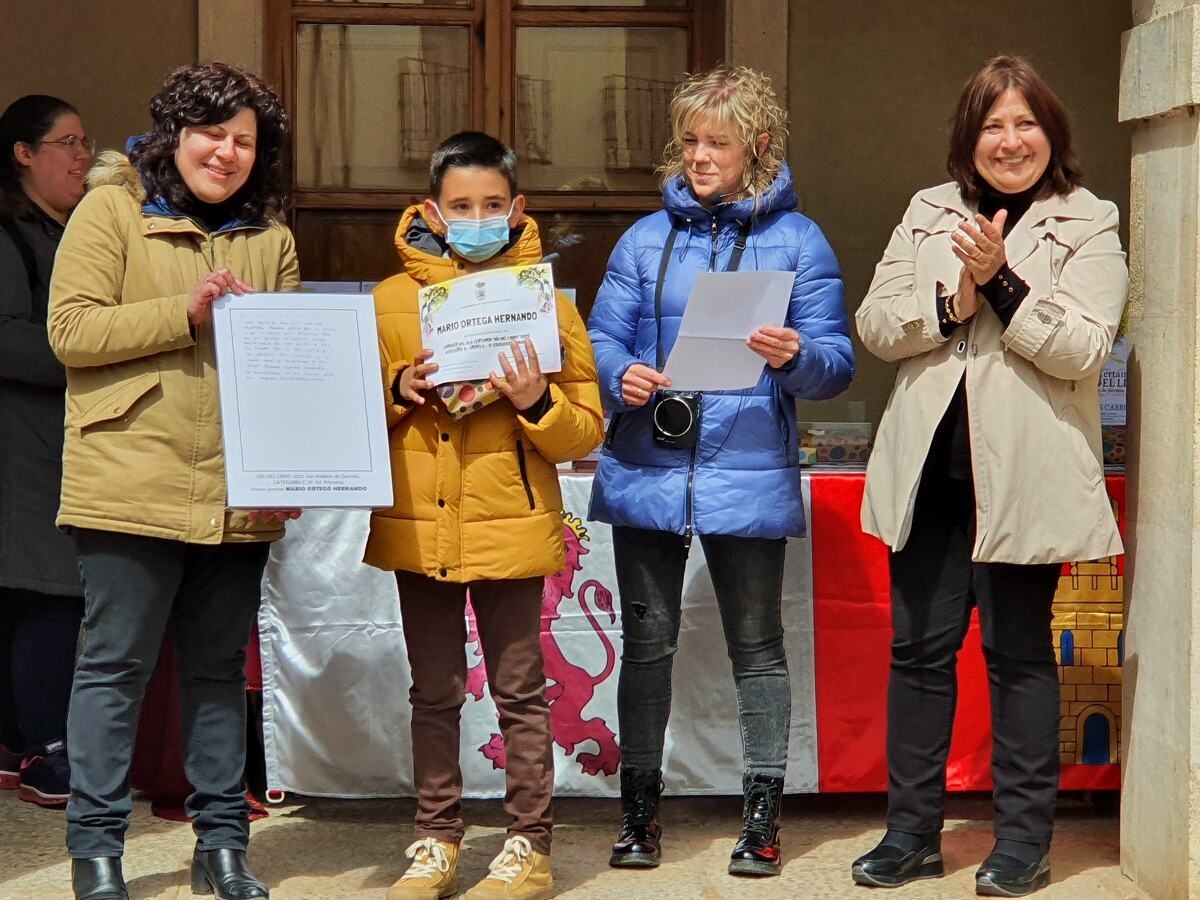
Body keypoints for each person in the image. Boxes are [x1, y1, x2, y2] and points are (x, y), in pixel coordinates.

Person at [851, 55, 1127, 897]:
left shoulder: (1089, 221)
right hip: (931, 474)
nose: (1009, 141)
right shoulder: (928, 212)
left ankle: (1021, 842)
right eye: (991, 126)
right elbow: (875, 324)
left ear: (1052, 134)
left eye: (1025, 124)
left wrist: (1000, 284)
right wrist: (951, 306)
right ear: (967, 141)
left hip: (1026, 476)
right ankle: (911, 836)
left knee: (1018, 655)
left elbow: (1086, 346)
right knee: (919, 655)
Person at [587, 65, 855, 877]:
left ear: (757, 147)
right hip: (648, 459)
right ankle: (638, 817)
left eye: (719, 142)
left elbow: (837, 363)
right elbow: (599, 341)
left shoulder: (800, 241)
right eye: (692, 141)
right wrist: (619, 376)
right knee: (647, 644)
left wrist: (797, 355)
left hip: (746, 465)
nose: (700, 157)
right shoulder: (642, 239)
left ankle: (762, 820)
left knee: (757, 648)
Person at [47, 63, 301, 900]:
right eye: (209, 133)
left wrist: (293, 465)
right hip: (129, 475)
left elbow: (293, 373)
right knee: (114, 667)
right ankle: (95, 852)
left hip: (238, 487)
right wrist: (183, 312)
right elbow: (71, 330)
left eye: (242, 141)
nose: (224, 154)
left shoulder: (271, 238)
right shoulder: (110, 207)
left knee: (218, 671)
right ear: (173, 134)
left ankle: (222, 850)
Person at [364, 131, 603, 900]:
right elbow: (347, 415)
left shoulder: (544, 302)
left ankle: (528, 846)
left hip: (512, 521)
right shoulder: (389, 300)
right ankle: (434, 841)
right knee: (432, 690)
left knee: (519, 691)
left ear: (516, 208)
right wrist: (397, 391)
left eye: (491, 206)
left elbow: (587, 429)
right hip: (420, 520)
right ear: (433, 209)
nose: (476, 219)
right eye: (460, 206)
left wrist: (537, 401)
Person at [0, 95, 92, 809]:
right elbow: (7, 337)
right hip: (20, 440)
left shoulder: (78, 229)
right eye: (66, 143)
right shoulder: (8, 232)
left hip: (63, 434)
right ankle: (44, 748)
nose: (81, 157)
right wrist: (101, 351)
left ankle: (21, 739)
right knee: (46, 591)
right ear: (23, 154)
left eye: (85, 143)